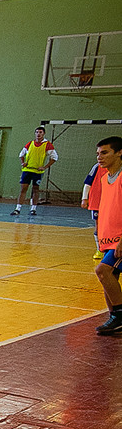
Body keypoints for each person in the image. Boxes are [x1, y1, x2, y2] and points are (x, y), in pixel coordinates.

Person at [90, 136, 122, 335]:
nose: (99, 157)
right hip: (109, 239)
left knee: (102, 270)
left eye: (105, 152)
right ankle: (114, 317)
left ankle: (119, 315)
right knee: (109, 277)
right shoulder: (104, 178)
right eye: (98, 153)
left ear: (119, 153)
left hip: (120, 239)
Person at [13, 125, 58, 216]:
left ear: (44, 134)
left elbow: (54, 157)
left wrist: (45, 167)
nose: (38, 134)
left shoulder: (47, 145)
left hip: (37, 172)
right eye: (37, 132)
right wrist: (23, 162)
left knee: (35, 189)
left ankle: (33, 209)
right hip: (27, 170)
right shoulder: (30, 144)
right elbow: (21, 154)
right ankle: (18, 209)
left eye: (40, 132)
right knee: (23, 189)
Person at [84, 161, 105, 261]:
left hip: (112, 202)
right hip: (97, 202)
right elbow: (87, 183)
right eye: (98, 154)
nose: (99, 157)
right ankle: (99, 249)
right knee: (98, 225)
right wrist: (84, 198)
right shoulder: (97, 167)